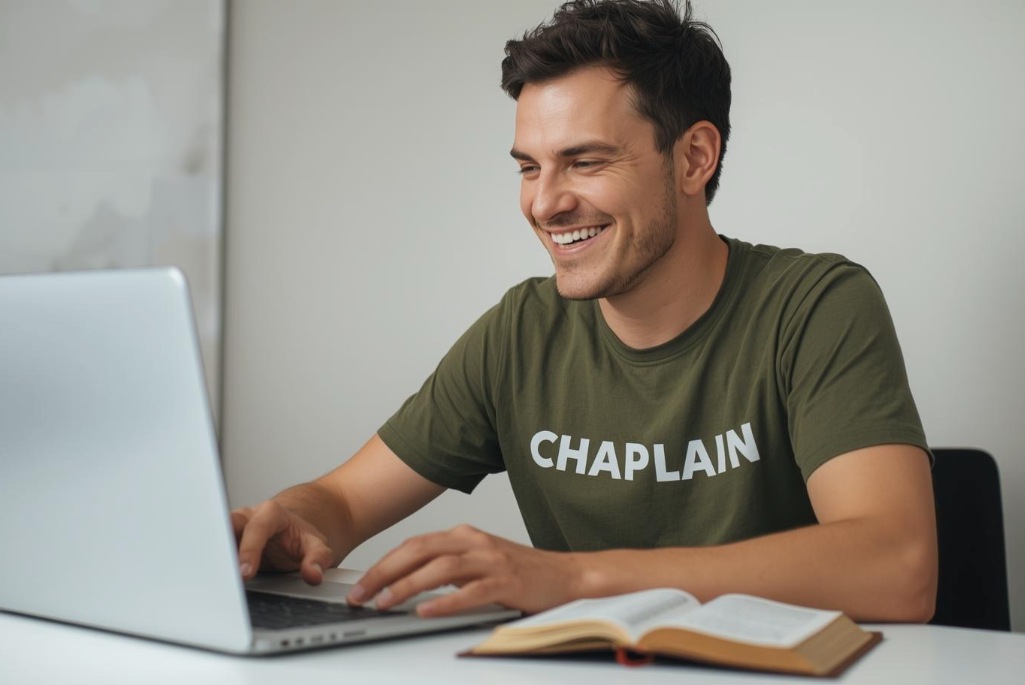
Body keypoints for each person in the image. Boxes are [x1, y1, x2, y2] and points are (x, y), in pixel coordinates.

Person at [232, 0, 937, 622]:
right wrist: (293, 521)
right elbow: (344, 503)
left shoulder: (814, 306)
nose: (544, 203)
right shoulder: (520, 333)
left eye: (585, 161)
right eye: (528, 166)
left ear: (693, 157)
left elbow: (897, 566)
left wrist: (573, 578)